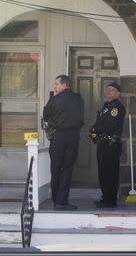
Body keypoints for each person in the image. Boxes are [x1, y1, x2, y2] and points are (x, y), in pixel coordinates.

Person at [43, 75, 84, 211]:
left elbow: (46, 116)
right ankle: (63, 201)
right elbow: (80, 119)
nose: (55, 87)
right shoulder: (78, 99)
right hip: (73, 137)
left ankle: (56, 200)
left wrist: (55, 123)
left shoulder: (54, 100)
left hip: (58, 137)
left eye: (57, 84)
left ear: (65, 85)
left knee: (56, 169)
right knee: (67, 169)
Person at [89, 82, 125, 207]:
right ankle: (105, 197)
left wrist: (97, 129)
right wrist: (93, 130)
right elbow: (99, 121)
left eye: (112, 90)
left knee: (110, 173)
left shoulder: (117, 107)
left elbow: (109, 125)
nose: (108, 91)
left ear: (118, 93)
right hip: (102, 143)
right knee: (103, 172)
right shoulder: (106, 106)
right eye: (107, 89)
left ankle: (110, 200)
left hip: (111, 145)